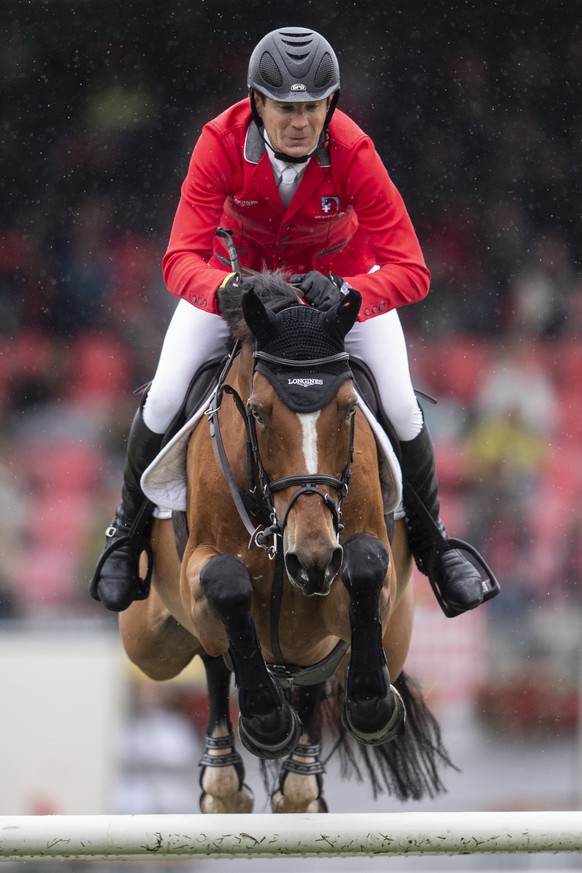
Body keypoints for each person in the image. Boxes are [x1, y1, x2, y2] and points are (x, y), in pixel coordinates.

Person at [90, 27, 486, 617]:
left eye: (312, 107)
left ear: (330, 104)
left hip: (337, 295)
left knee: (402, 405)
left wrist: (351, 291)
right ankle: (125, 537)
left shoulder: (353, 151)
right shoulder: (218, 144)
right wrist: (231, 289)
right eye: (286, 108)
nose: (300, 122)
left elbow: (412, 269)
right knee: (166, 393)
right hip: (244, 293)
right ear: (257, 103)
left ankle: (434, 549)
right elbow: (178, 260)